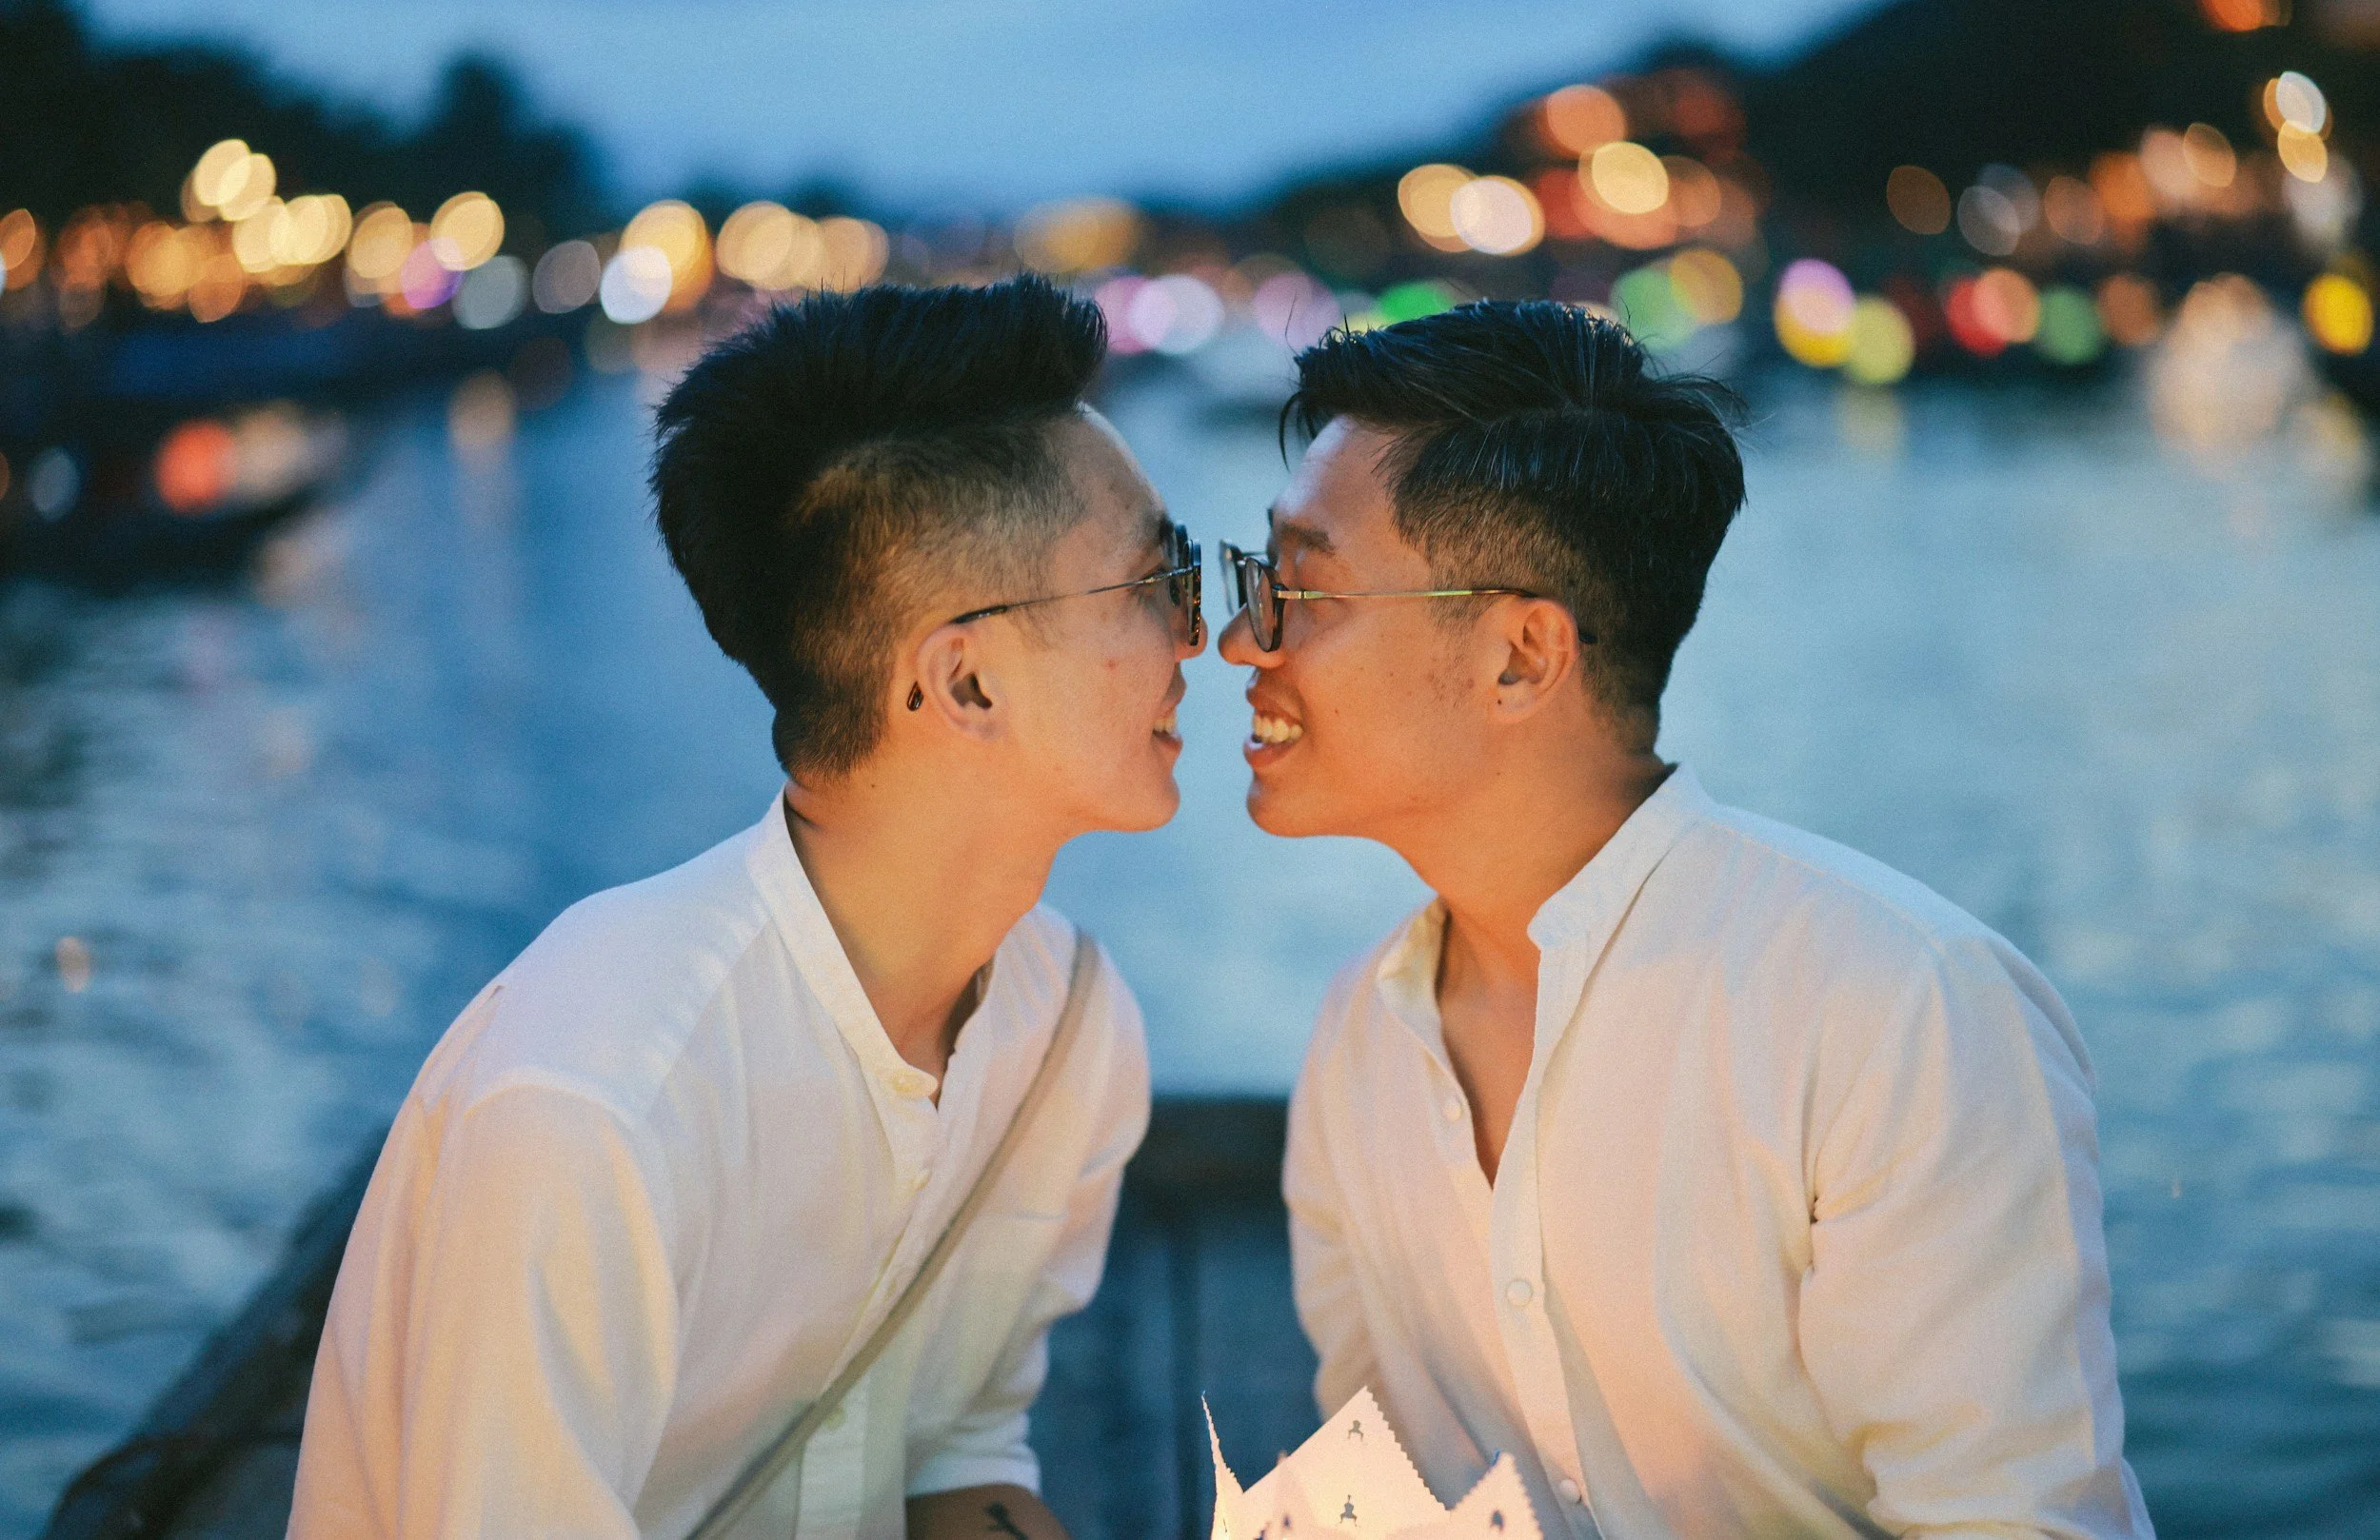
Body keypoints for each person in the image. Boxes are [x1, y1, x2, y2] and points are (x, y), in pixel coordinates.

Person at [288, 277, 1204, 1539]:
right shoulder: (599, 1100)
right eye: (1159, 578)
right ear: (967, 677)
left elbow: (957, 1455)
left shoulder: (1068, 1031)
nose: (1199, 634)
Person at [1222, 302, 2152, 1537]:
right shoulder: (1361, 1035)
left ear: (1520, 655)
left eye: (1301, 587)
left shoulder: (1892, 1008)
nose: (1240, 638)